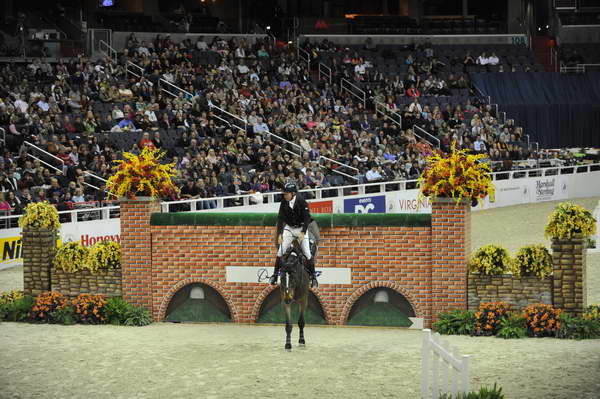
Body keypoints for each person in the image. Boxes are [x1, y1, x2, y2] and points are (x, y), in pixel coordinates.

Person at [270, 182, 318, 288]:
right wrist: (280, 234)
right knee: (280, 252)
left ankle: (314, 277)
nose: (285, 195)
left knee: (307, 253)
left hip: (301, 228)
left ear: (293, 193)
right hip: (290, 228)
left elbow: (306, 218)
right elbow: (280, 217)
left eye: (287, 194)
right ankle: (275, 275)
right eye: (284, 194)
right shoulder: (284, 201)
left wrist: (303, 232)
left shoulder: (301, 201)